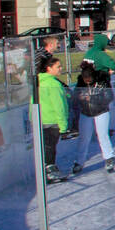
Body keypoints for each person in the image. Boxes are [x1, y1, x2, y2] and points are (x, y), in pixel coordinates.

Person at [69, 60, 115, 174]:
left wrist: (93, 99)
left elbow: (109, 97)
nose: (88, 83)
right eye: (86, 81)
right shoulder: (81, 81)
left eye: (90, 80)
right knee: (84, 137)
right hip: (86, 112)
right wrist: (79, 97)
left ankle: (109, 157)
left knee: (102, 135)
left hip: (101, 111)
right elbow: (75, 95)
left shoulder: (103, 80)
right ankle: (79, 162)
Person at [33, 55, 71, 183]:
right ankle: (49, 171)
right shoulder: (53, 84)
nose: (61, 69)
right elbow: (59, 106)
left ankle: (47, 170)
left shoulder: (39, 82)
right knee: (50, 147)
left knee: (47, 147)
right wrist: (63, 125)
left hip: (41, 120)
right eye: (58, 67)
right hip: (51, 121)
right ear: (49, 68)